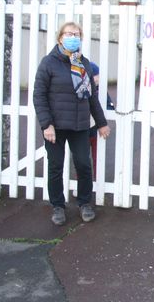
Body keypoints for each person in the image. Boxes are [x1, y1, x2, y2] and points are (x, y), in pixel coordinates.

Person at [33, 22, 111, 226]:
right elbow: (39, 95)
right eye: (69, 34)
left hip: (80, 125)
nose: (73, 37)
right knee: (56, 166)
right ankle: (58, 206)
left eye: (76, 34)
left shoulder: (83, 63)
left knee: (84, 165)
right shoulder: (48, 63)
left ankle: (85, 203)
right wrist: (46, 124)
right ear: (60, 38)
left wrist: (101, 123)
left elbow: (92, 97)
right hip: (55, 127)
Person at [88, 61, 114, 180]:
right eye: (95, 76)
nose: (97, 79)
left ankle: (98, 180)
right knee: (82, 158)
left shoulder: (101, 90)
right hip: (83, 128)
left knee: (97, 156)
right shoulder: (82, 89)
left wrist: (109, 109)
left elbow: (110, 105)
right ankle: (82, 182)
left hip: (97, 129)